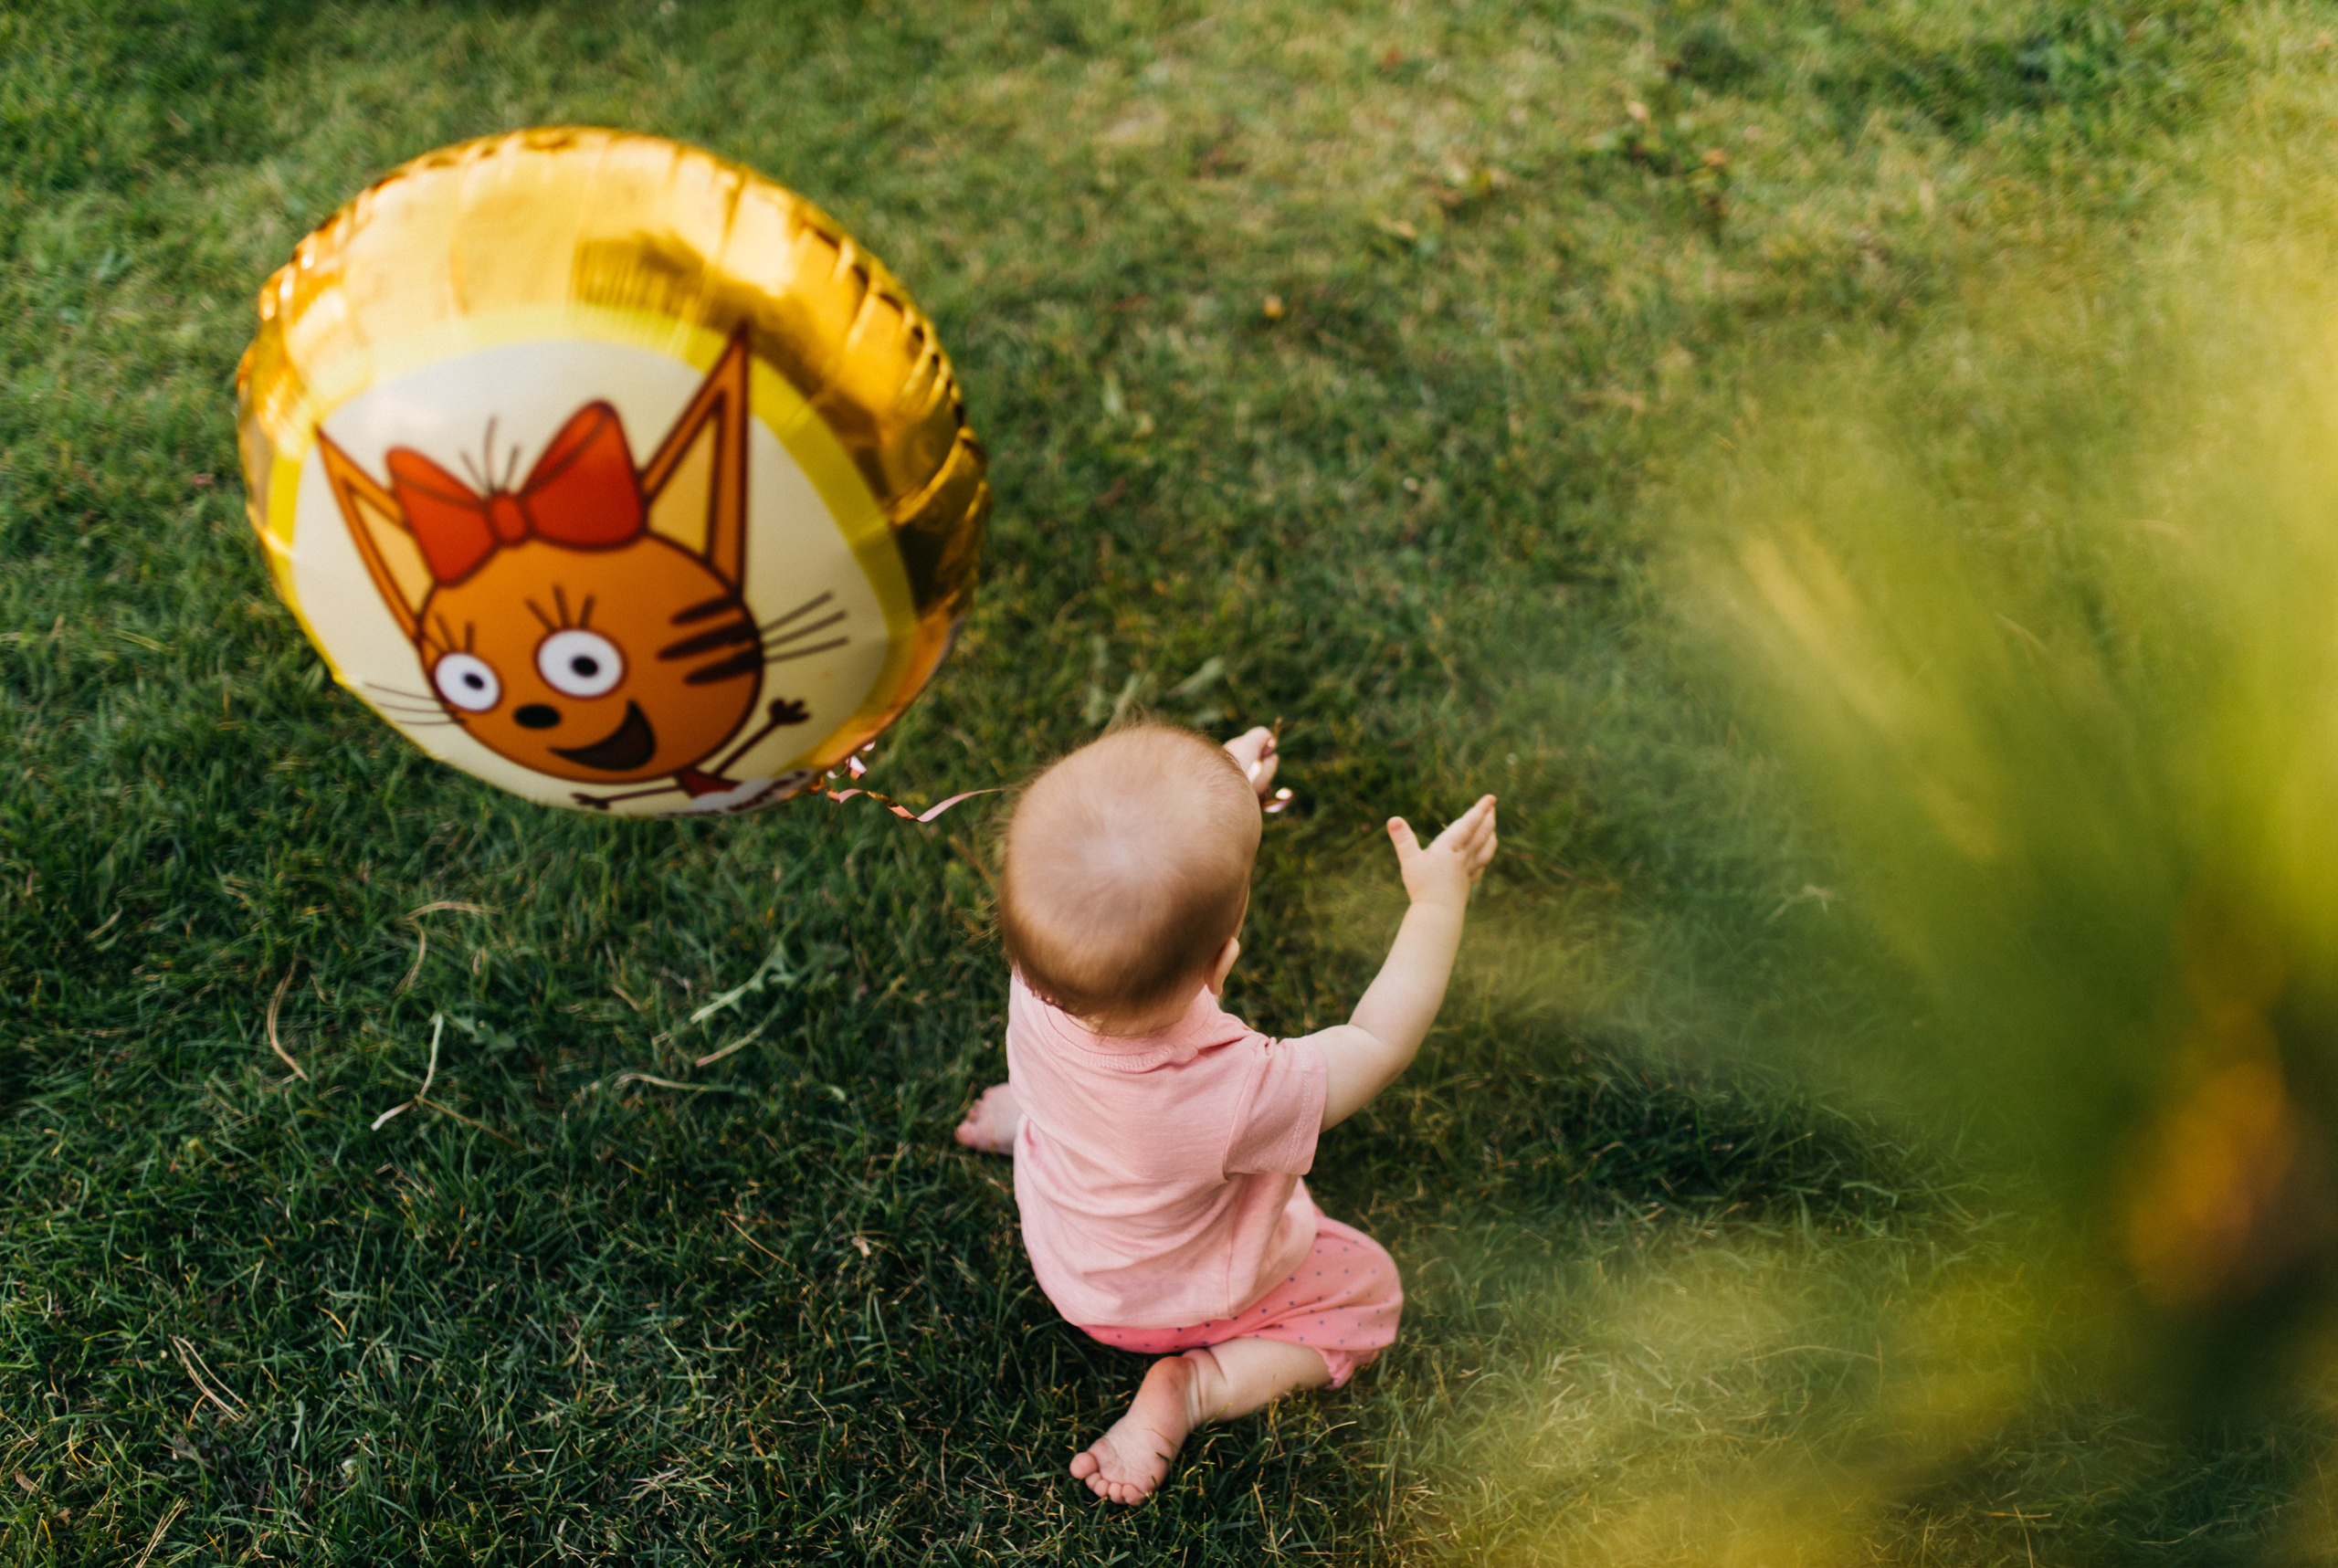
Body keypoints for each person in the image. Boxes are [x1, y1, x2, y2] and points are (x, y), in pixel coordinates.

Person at [955, 721, 1499, 1504]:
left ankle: (1023, 1116)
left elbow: (1115, 861)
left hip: (1063, 1236)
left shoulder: (1040, 964)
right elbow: (1379, 1039)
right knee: (1372, 1292)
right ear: (1222, 961)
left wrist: (1213, 787)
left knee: (1064, 1108)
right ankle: (1198, 1385)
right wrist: (1436, 905)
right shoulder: (1240, 1090)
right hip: (1162, 1304)